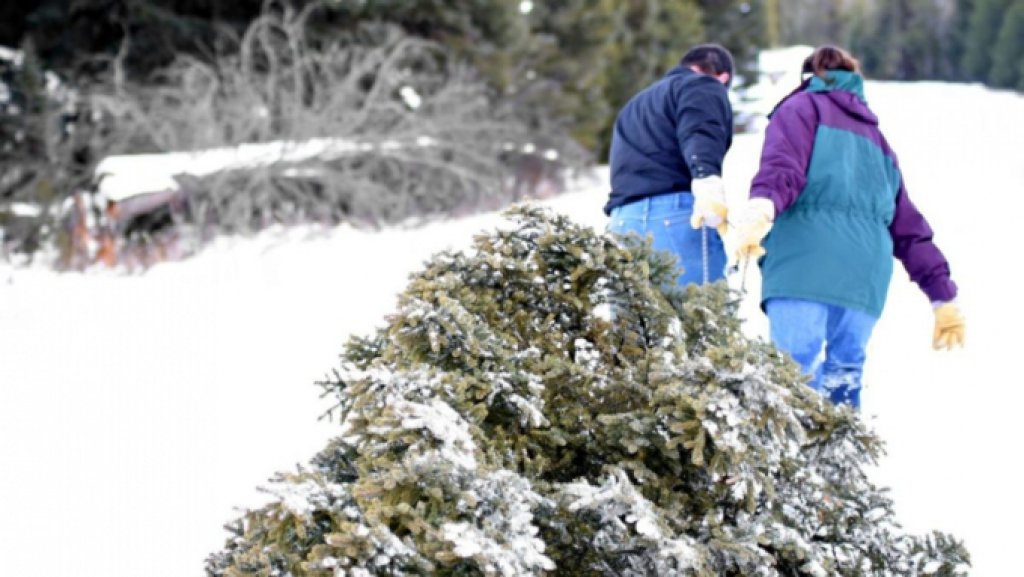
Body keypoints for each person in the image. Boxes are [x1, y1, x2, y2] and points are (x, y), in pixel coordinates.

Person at [733, 45, 966, 410]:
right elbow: (909, 226)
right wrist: (943, 296)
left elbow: (783, 169)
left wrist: (762, 208)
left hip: (803, 265)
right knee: (844, 376)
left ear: (810, 75)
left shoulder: (799, 109)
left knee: (790, 380)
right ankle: (835, 464)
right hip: (864, 277)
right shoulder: (879, 142)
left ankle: (786, 464)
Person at [605, 44, 735, 286]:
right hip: (675, 216)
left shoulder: (635, 104)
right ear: (722, 78)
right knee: (703, 318)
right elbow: (700, 131)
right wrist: (708, 181)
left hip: (623, 221)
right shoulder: (703, 85)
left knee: (636, 322)